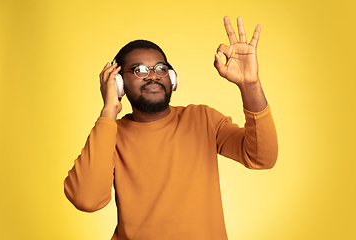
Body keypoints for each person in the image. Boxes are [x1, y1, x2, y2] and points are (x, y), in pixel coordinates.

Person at [64, 16, 278, 240]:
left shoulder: (202, 118)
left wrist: (250, 84)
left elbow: (262, 157)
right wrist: (108, 110)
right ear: (118, 83)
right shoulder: (109, 134)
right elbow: (86, 199)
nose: (153, 75)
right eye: (139, 70)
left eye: (160, 68)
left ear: (172, 78)